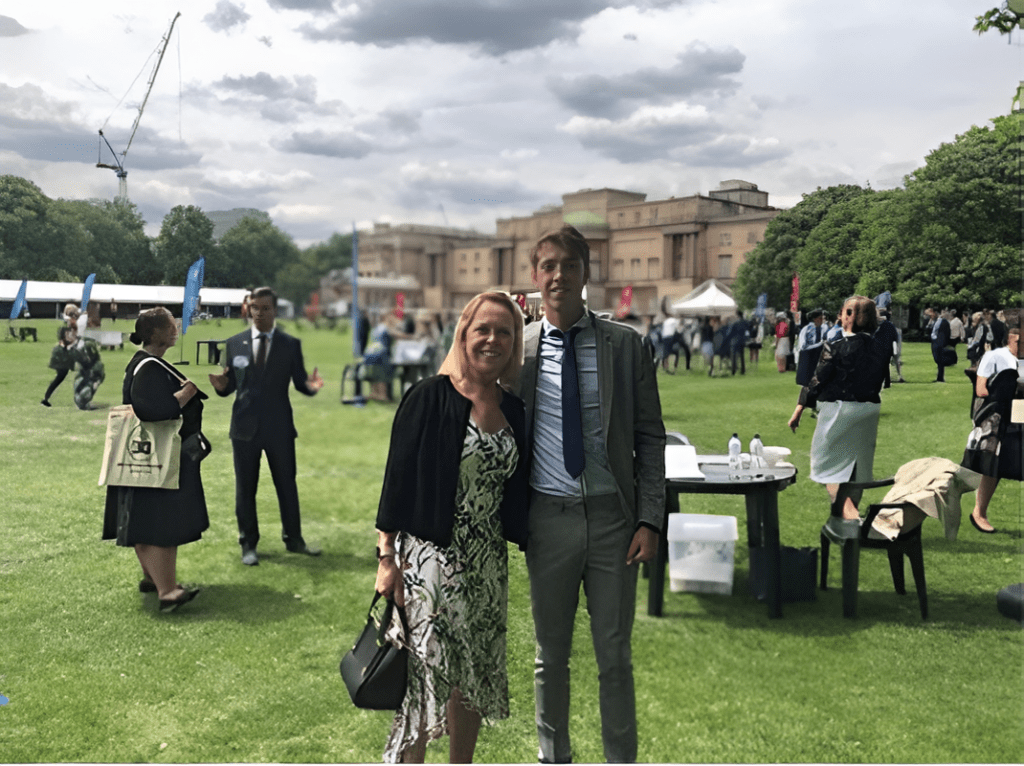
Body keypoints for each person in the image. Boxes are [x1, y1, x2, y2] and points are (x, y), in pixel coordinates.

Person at [515, 225, 665, 764]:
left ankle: (619, 759)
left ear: (586, 274)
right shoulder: (518, 349)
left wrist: (650, 520)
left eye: (569, 266)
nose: (558, 275)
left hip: (612, 523)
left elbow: (650, 438)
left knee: (614, 656)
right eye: (548, 266)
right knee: (549, 656)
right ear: (535, 276)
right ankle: (553, 756)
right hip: (547, 520)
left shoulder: (626, 346)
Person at [373, 291, 529, 763]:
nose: (492, 340)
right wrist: (386, 558)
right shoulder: (429, 396)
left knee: (473, 679)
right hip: (430, 565)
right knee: (422, 684)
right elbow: (395, 482)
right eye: (483, 329)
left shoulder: (514, 409)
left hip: (487, 569)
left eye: (504, 332)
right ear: (464, 333)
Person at [209, 287, 325, 566]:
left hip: (279, 428)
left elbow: (300, 382)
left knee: (286, 485)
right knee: (245, 488)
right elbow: (230, 387)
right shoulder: (234, 344)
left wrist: (311, 387)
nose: (259, 313)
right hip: (244, 428)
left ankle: (294, 540)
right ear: (248, 309)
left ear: (275, 310)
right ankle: (248, 544)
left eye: (265, 308)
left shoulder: (290, 344)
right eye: (255, 308)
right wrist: (222, 387)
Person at [102, 308, 207, 612]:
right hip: (158, 458)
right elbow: (153, 409)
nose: (176, 329)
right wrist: (186, 394)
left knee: (144, 521)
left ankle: (153, 578)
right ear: (156, 333)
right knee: (162, 525)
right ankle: (168, 592)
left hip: (142, 458)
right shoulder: (149, 366)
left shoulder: (145, 363)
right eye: (171, 326)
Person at [788, 296, 888, 532]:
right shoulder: (882, 349)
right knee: (858, 468)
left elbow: (817, 380)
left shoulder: (836, 347)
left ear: (850, 315)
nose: (840, 316)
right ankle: (848, 518)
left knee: (826, 466)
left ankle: (851, 516)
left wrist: (799, 408)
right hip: (869, 410)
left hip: (839, 410)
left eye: (843, 312)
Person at [962, 318, 1021, 534]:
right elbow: (981, 389)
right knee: (992, 465)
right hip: (997, 417)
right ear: (1012, 338)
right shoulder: (995, 356)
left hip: (1020, 414)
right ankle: (979, 512)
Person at [41, 324, 78, 407]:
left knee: (58, 380)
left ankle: (46, 398)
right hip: (61, 365)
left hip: (63, 365)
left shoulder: (66, 346)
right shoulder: (60, 349)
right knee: (58, 380)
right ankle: (46, 399)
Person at [794, 308, 825, 386]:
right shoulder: (808, 329)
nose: (822, 320)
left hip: (814, 356)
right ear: (815, 319)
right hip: (807, 356)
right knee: (806, 381)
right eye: (820, 318)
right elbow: (804, 346)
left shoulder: (821, 328)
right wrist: (820, 344)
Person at [925, 307, 952, 382]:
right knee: (937, 359)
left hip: (940, 343)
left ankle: (940, 378)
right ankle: (939, 377)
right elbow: (928, 330)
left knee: (940, 361)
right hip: (934, 342)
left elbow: (947, 333)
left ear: (935, 313)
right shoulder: (933, 321)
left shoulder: (944, 322)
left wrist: (944, 343)